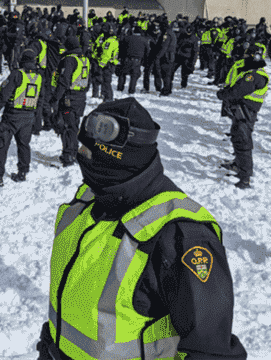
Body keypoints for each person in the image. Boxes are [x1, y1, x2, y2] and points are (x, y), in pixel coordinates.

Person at [35, 98, 247, 360]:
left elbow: (211, 351)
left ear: (116, 159)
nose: (80, 156)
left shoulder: (179, 236)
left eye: (88, 151)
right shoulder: (88, 201)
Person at [0, 49, 43, 186]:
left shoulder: (17, 75)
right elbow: (41, 101)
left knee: (1, 143)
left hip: (13, 115)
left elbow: (4, 95)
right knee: (24, 145)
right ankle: (22, 173)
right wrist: (38, 121)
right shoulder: (39, 77)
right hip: (29, 116)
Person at [217, 44, 269, 189]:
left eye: (247, 56)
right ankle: (238, 165)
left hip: (246, 112)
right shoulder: (251, 71)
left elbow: (238, 90)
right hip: (241, 111)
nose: (244, 58)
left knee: (243, 142)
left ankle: (245, 177)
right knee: (237, 138)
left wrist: (222, 95)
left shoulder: (254, 75)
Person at [52, 36, 89, 167]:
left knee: (67, 127)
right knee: (74, 126)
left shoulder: (69, 60)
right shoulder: (84, 59)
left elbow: (64, 81)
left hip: (70, 97)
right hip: (81, 96)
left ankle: (68, 155)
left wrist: (55, 98)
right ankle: (73, 151)